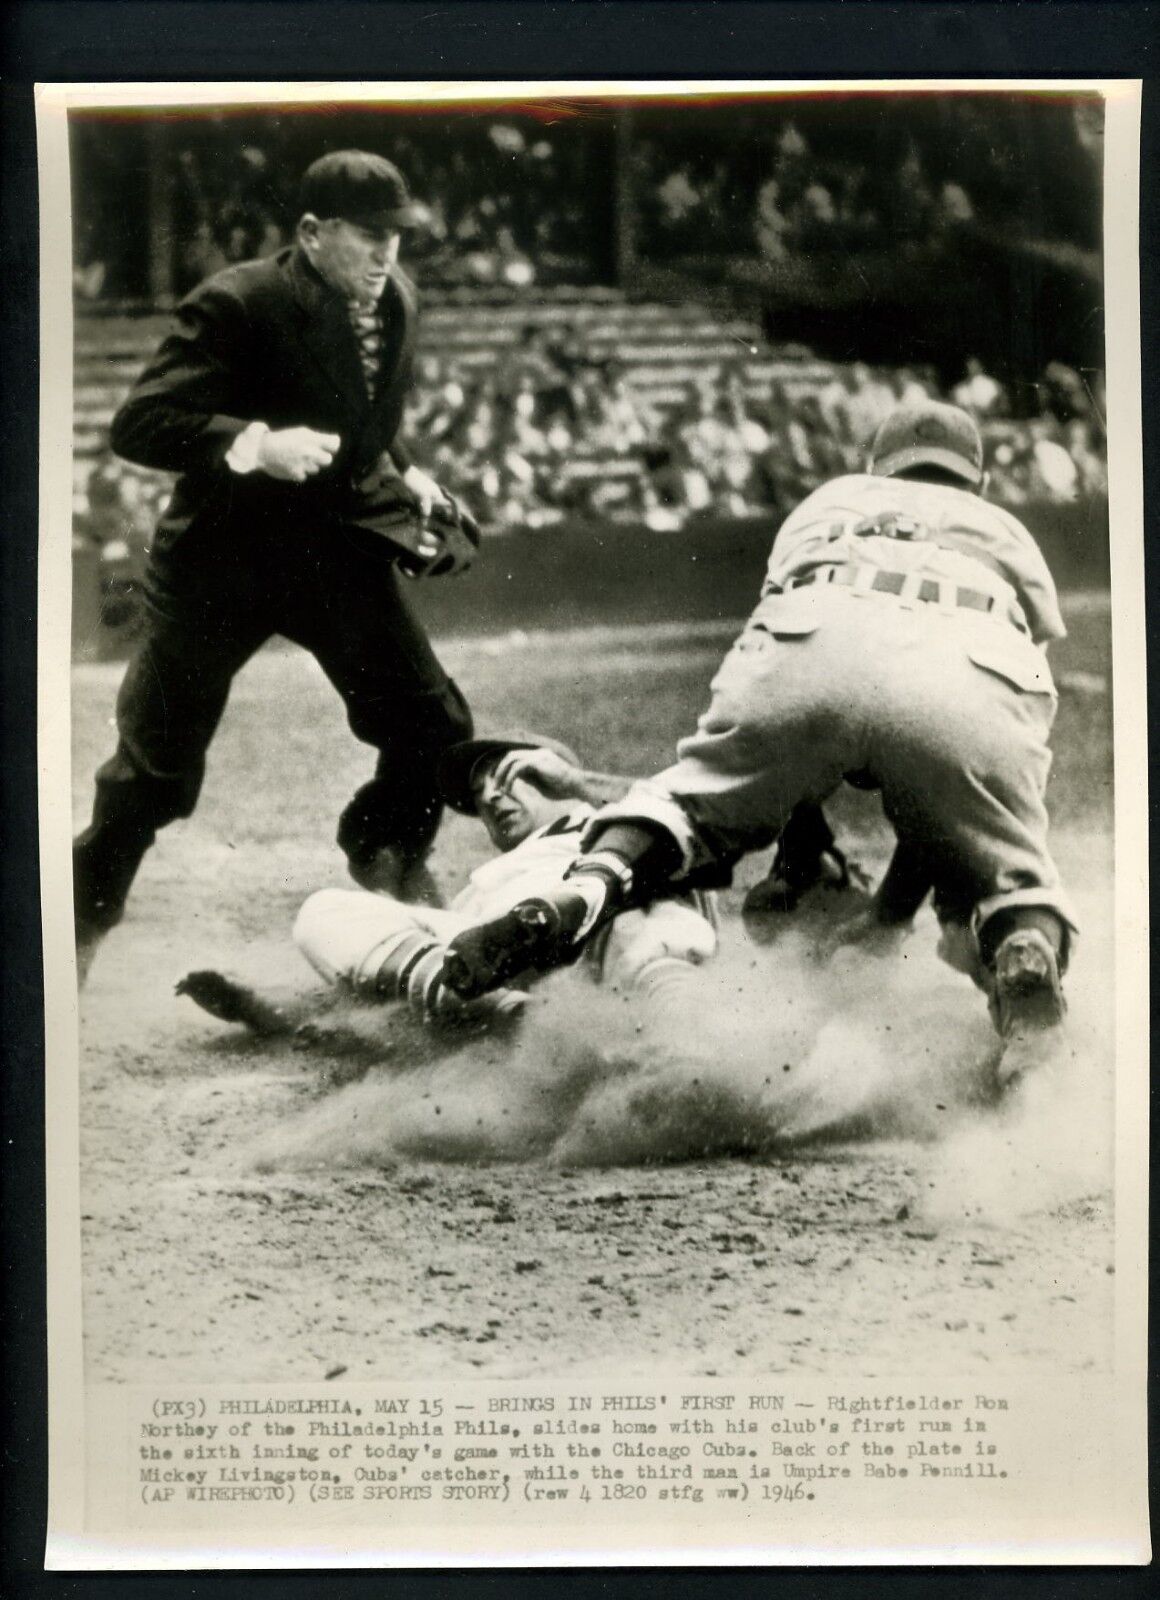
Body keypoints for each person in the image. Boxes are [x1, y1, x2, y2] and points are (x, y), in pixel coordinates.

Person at [440, 402, 1076, 1089]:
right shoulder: (1006, 529)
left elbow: (796, 726)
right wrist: (889, 917)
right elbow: (940, 808)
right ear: (976, 481)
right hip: (971, 659)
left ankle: (585, 890)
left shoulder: (830, 501)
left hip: (815, 634)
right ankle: (1023, 945)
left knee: (684, 806)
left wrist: (812, 856)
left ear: (876, 469)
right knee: (1004, 870)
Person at [73, 151, 474, 977]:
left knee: (432, 727)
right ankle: (74, 925)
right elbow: (139, 423)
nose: (387, 255)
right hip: (223, 563)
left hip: (333, 557)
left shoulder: (398, 298)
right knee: (154, 775)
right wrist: (252, 444)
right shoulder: (237, 300)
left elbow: (365, 417)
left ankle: (384, 855)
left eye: (397, 238)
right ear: (311, 233)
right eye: (368, 238)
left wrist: (409, 473)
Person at [178, 734, 719, 1041]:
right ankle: (514, 1025)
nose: (490, 796)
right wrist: (259, 1005)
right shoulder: (479, 890)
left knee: (636, 920)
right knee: (325, 910)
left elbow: (701, 812)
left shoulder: (621, 822)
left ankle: (692, 1055)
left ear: (555, 775)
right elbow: (373, 984)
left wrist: (583, 784)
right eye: (479, 793)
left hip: (607, 941)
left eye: (511, 775)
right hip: (502, 966)